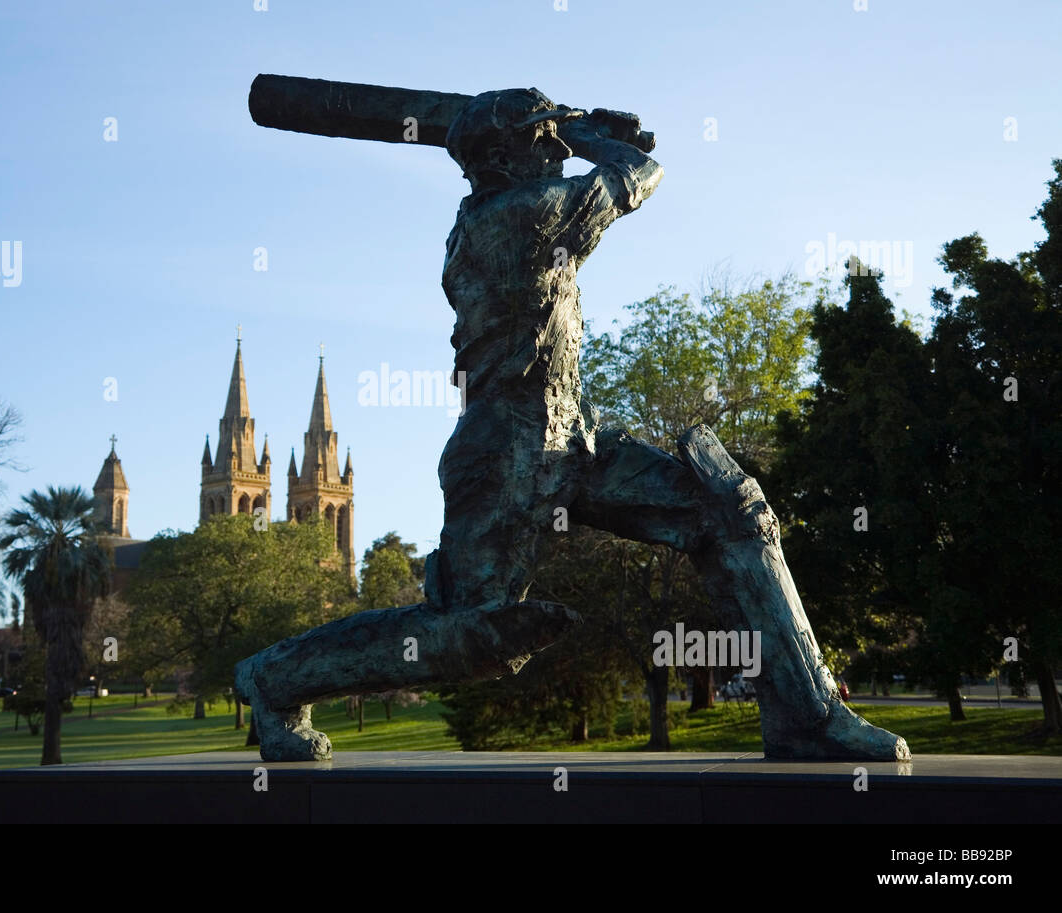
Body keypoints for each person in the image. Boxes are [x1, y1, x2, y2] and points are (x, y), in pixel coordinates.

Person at [236, 88, 909, 762]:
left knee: (730, 509)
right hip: (509, 450)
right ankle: (272, 679)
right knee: (469, 636)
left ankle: (806, 714)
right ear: (501, 158)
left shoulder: (497, 209)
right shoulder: (519, 216)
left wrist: (581, 132)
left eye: (554, 138)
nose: (554, 150)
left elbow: (613, 172)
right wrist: (591, 134)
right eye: (543, 139)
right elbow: (639, 178)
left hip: (573, 435)